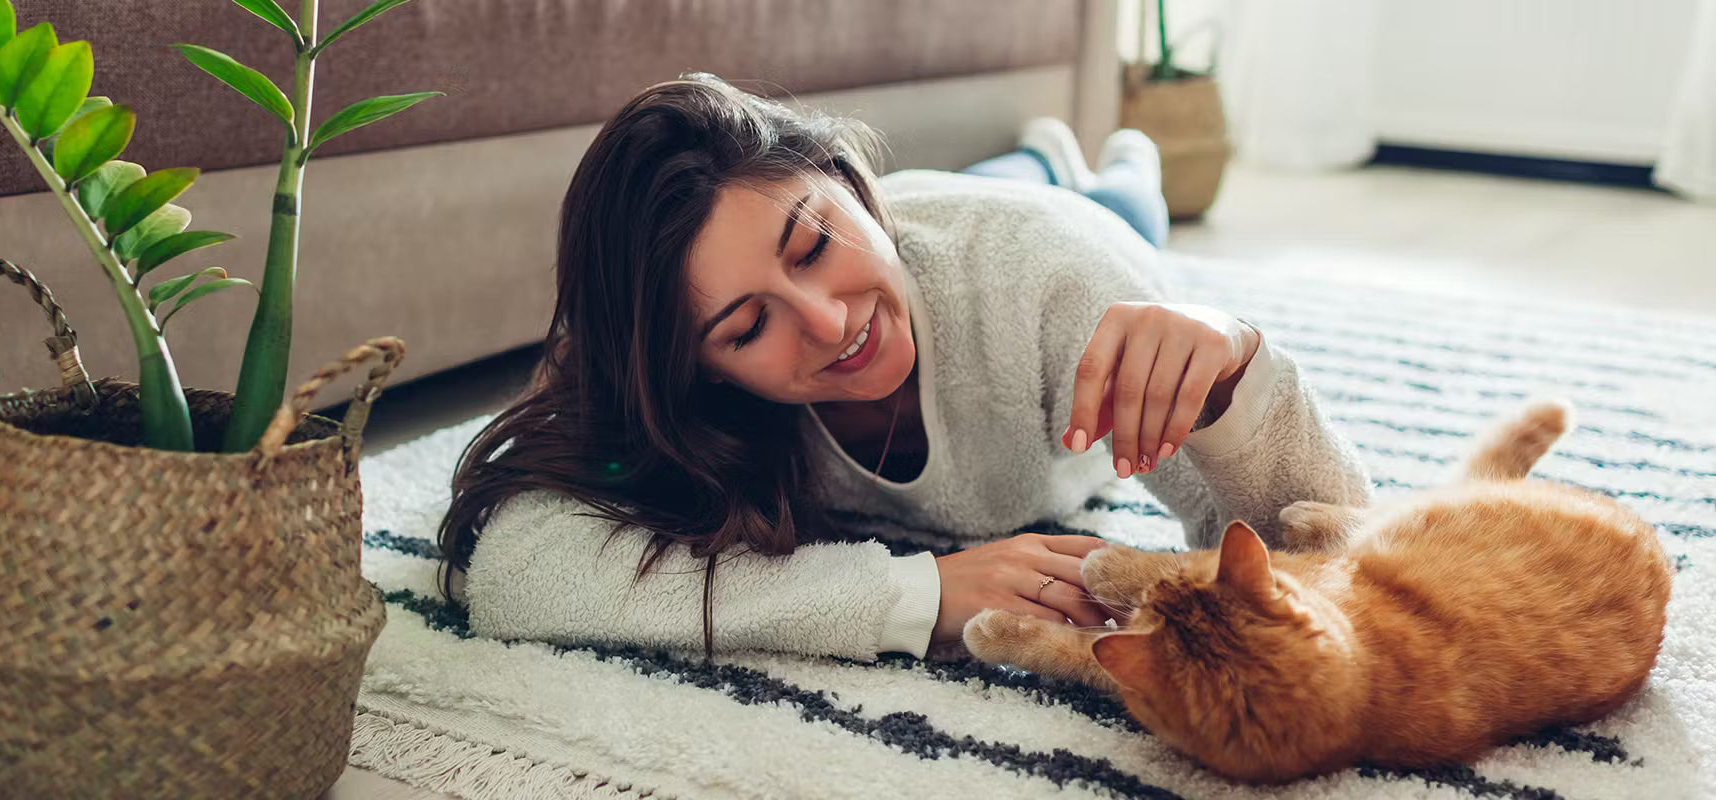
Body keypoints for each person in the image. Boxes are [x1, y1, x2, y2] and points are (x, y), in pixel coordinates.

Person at [438, 74, 1369, 660]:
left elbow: (1330, 554)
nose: (828, 322)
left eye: (812, 246)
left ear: (848, 180)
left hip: (1067, 232)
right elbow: (520, 569)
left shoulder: (1062, 286)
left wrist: (1238, 376)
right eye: (749, 326)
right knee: (980, 204)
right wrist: (917, 594)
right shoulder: (668, 376)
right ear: (698, 368)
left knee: (1125, 204)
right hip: (928, 226)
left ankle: (1112, 166)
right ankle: (1033, 159)